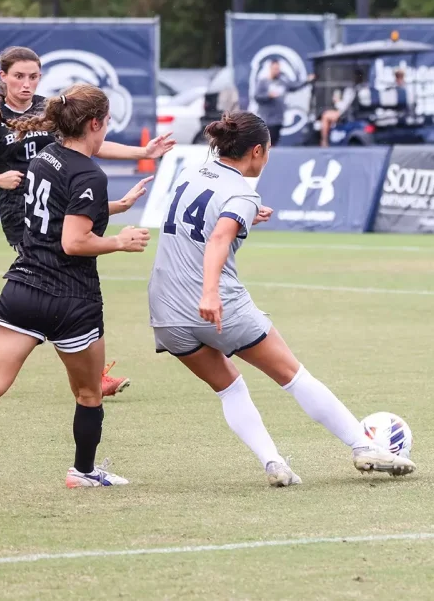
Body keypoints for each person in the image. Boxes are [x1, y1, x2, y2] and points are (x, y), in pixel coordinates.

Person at [147, 111, 415, 486]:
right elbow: (219, 238)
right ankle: (362, 445)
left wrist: (243, 216)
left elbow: (201, 219)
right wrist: (210, 291)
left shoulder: (192, 171)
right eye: (268, 150)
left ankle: (274, 463)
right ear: (256, 151)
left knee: (229, 387)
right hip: (215, 304)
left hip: (165, 308)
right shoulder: (242, 191)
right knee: (293, 375)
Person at [0, 84, 152, 488]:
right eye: (105, 126)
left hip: (24, 288)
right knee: (89, 394)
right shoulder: (89, 173)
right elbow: (74, 241)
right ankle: (83, 473)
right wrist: (120, 241)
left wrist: (114, 206)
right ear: (94, 124)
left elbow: (61, 210)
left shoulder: (44, 158)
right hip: (72, 299)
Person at [0, 46, 174, 396]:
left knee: (64, 281)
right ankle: (77, 368)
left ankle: (77, 365)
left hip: (55, 208)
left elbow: (88, 144)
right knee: (62, 281)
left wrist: (142, 152)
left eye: (33, 76)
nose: (27, 83)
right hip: (24, 218)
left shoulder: (48, 110)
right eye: (19, 76)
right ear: (2, 77)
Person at [254, 59, 315, 146]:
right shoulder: (263, 82)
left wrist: (307, 81)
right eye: (274, 69)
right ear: (270, 69)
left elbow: (295, 86)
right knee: (266, 142)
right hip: (267, 119)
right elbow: (257, 97)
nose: (276, 71)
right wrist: (268, 96)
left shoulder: (282, 82)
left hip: (278, 118)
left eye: (278, 69)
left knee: (274, 141)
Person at [319, 69, 365, 147]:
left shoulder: (355, 90)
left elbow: (344, 107)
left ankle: (324, 141)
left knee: (325, 115)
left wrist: (336, 101)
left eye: (357, 76)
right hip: (349, 112)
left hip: (347, 114)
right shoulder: (356, 88)